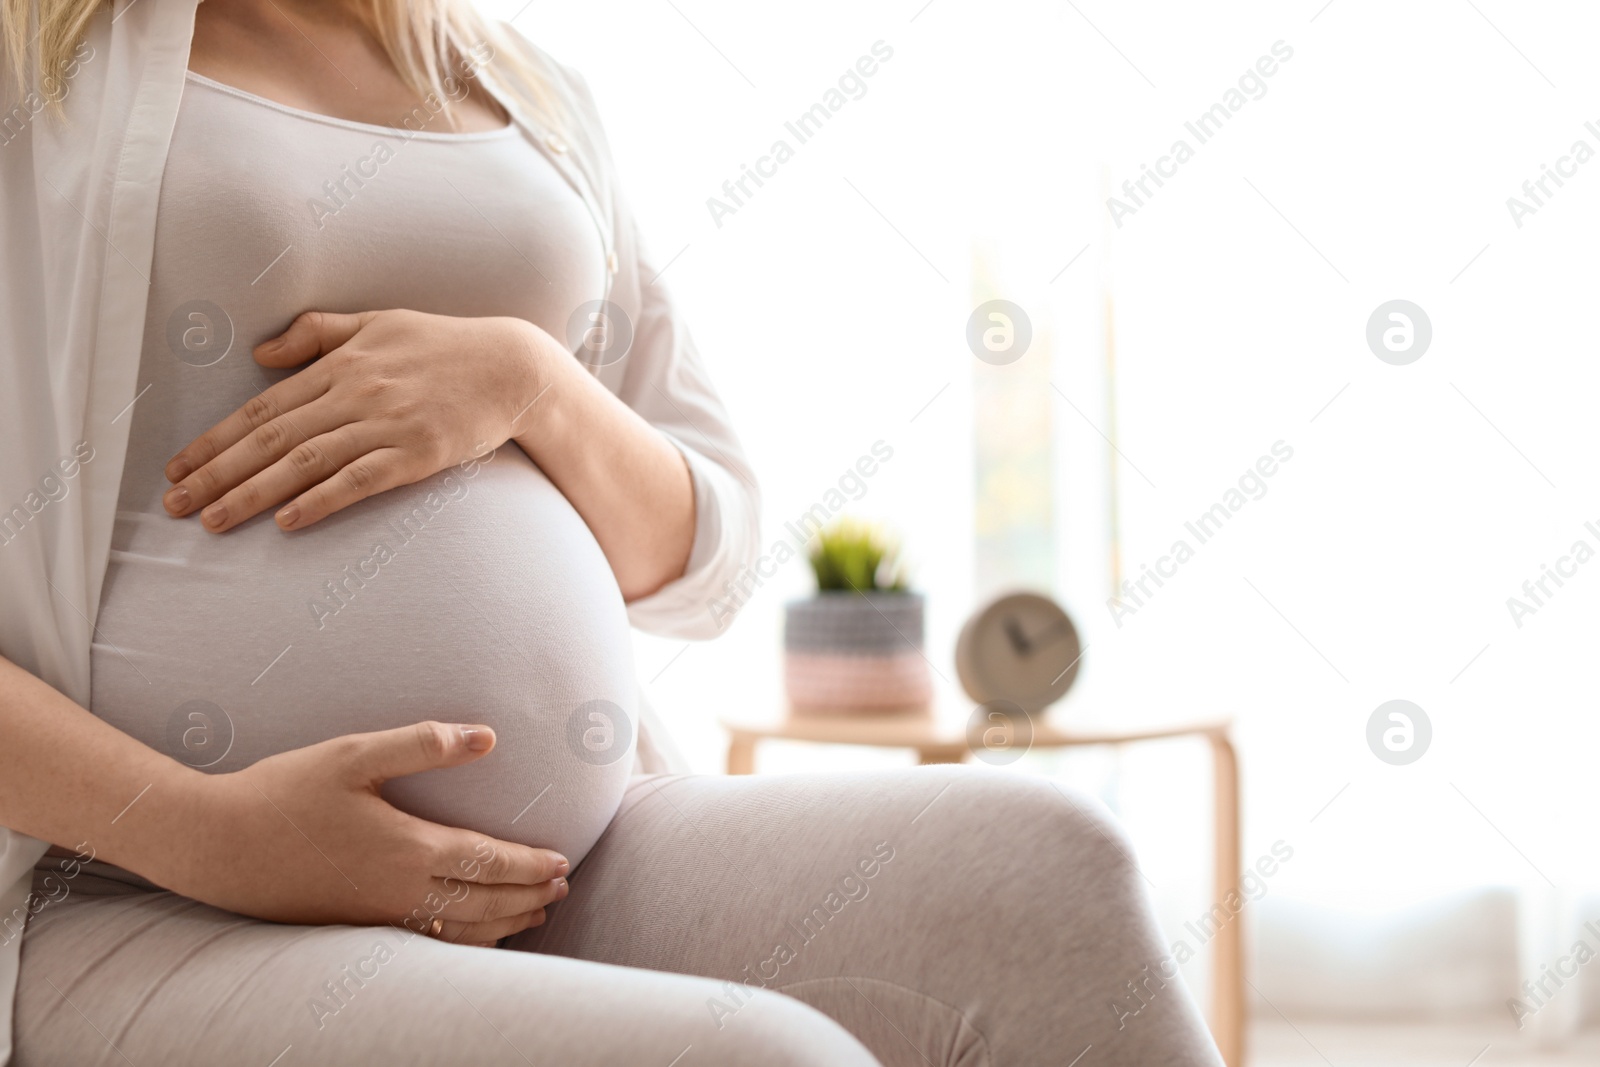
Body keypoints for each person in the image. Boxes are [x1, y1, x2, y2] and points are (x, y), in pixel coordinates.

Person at [0, 1, 1226, 1062]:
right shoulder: (32, 60)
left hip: (553, 868)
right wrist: (209, 835)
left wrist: (532, 385)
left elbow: (705, 549)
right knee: (759, 1057)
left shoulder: (515, 86)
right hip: (127, 895)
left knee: (1045, 876)